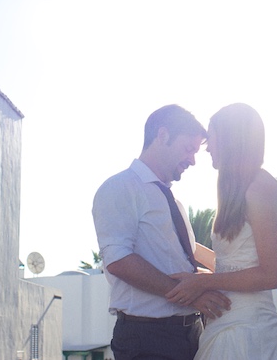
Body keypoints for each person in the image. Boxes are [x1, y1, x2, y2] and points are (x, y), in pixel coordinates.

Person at [164, 103, 277, 360]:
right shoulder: (238, 190)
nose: (207, 149)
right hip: (227, 325)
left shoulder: (259, 187)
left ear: (230, 137)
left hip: (250, 334)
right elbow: (233, 265)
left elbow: (272, 274)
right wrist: (185, 247)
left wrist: (203, 282)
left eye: (211, 138)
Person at [92, 104, 232, 360]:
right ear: (163, 135)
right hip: (147, 340)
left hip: (194, 333)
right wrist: (192, 298)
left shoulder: (174, 202)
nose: (192, 160)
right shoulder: (119, 188)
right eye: (188, 149)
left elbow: (180, 264)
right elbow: (119, 262)